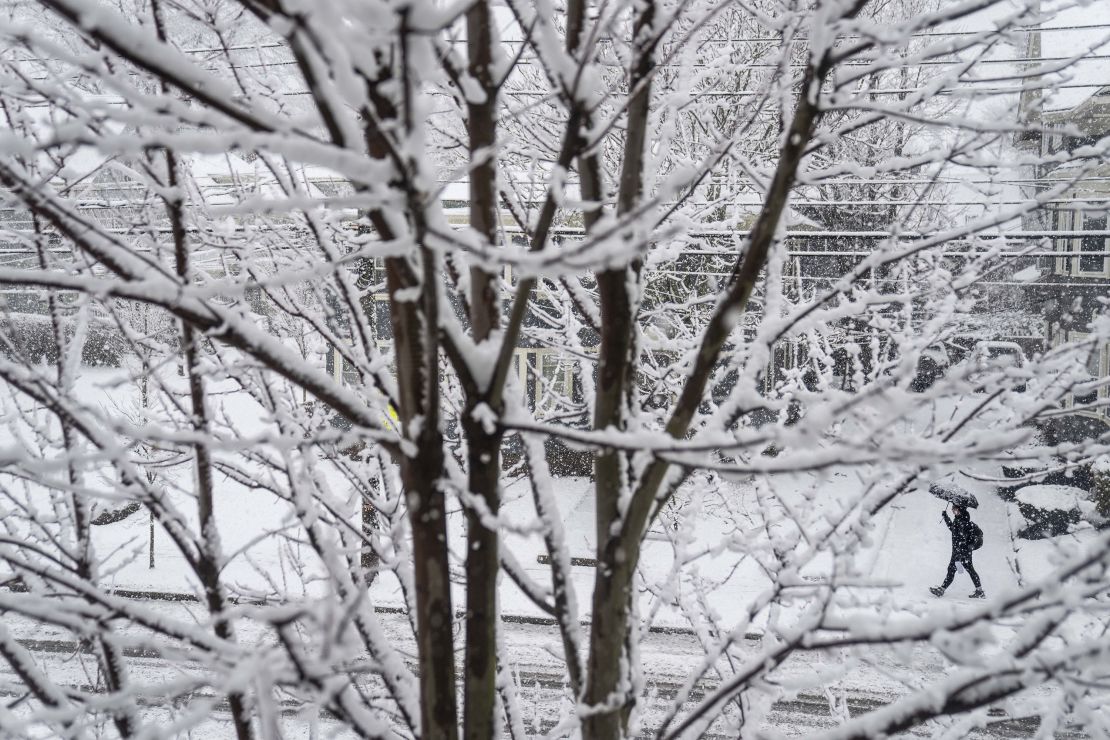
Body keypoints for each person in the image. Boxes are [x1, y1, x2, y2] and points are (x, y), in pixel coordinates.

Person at [930, 504, 985, 599]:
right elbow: (953, 529)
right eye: (952, 509)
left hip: (963, 552)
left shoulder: (965, 522)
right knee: (962, 570)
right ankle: (979, 591)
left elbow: (975, 535)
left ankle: (941, 590)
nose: (953, 511)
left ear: (960, 510)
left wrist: (966, 547)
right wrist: (946, 517)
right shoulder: (957, 520)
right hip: (957, 551)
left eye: (954, 509)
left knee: (955, 569)